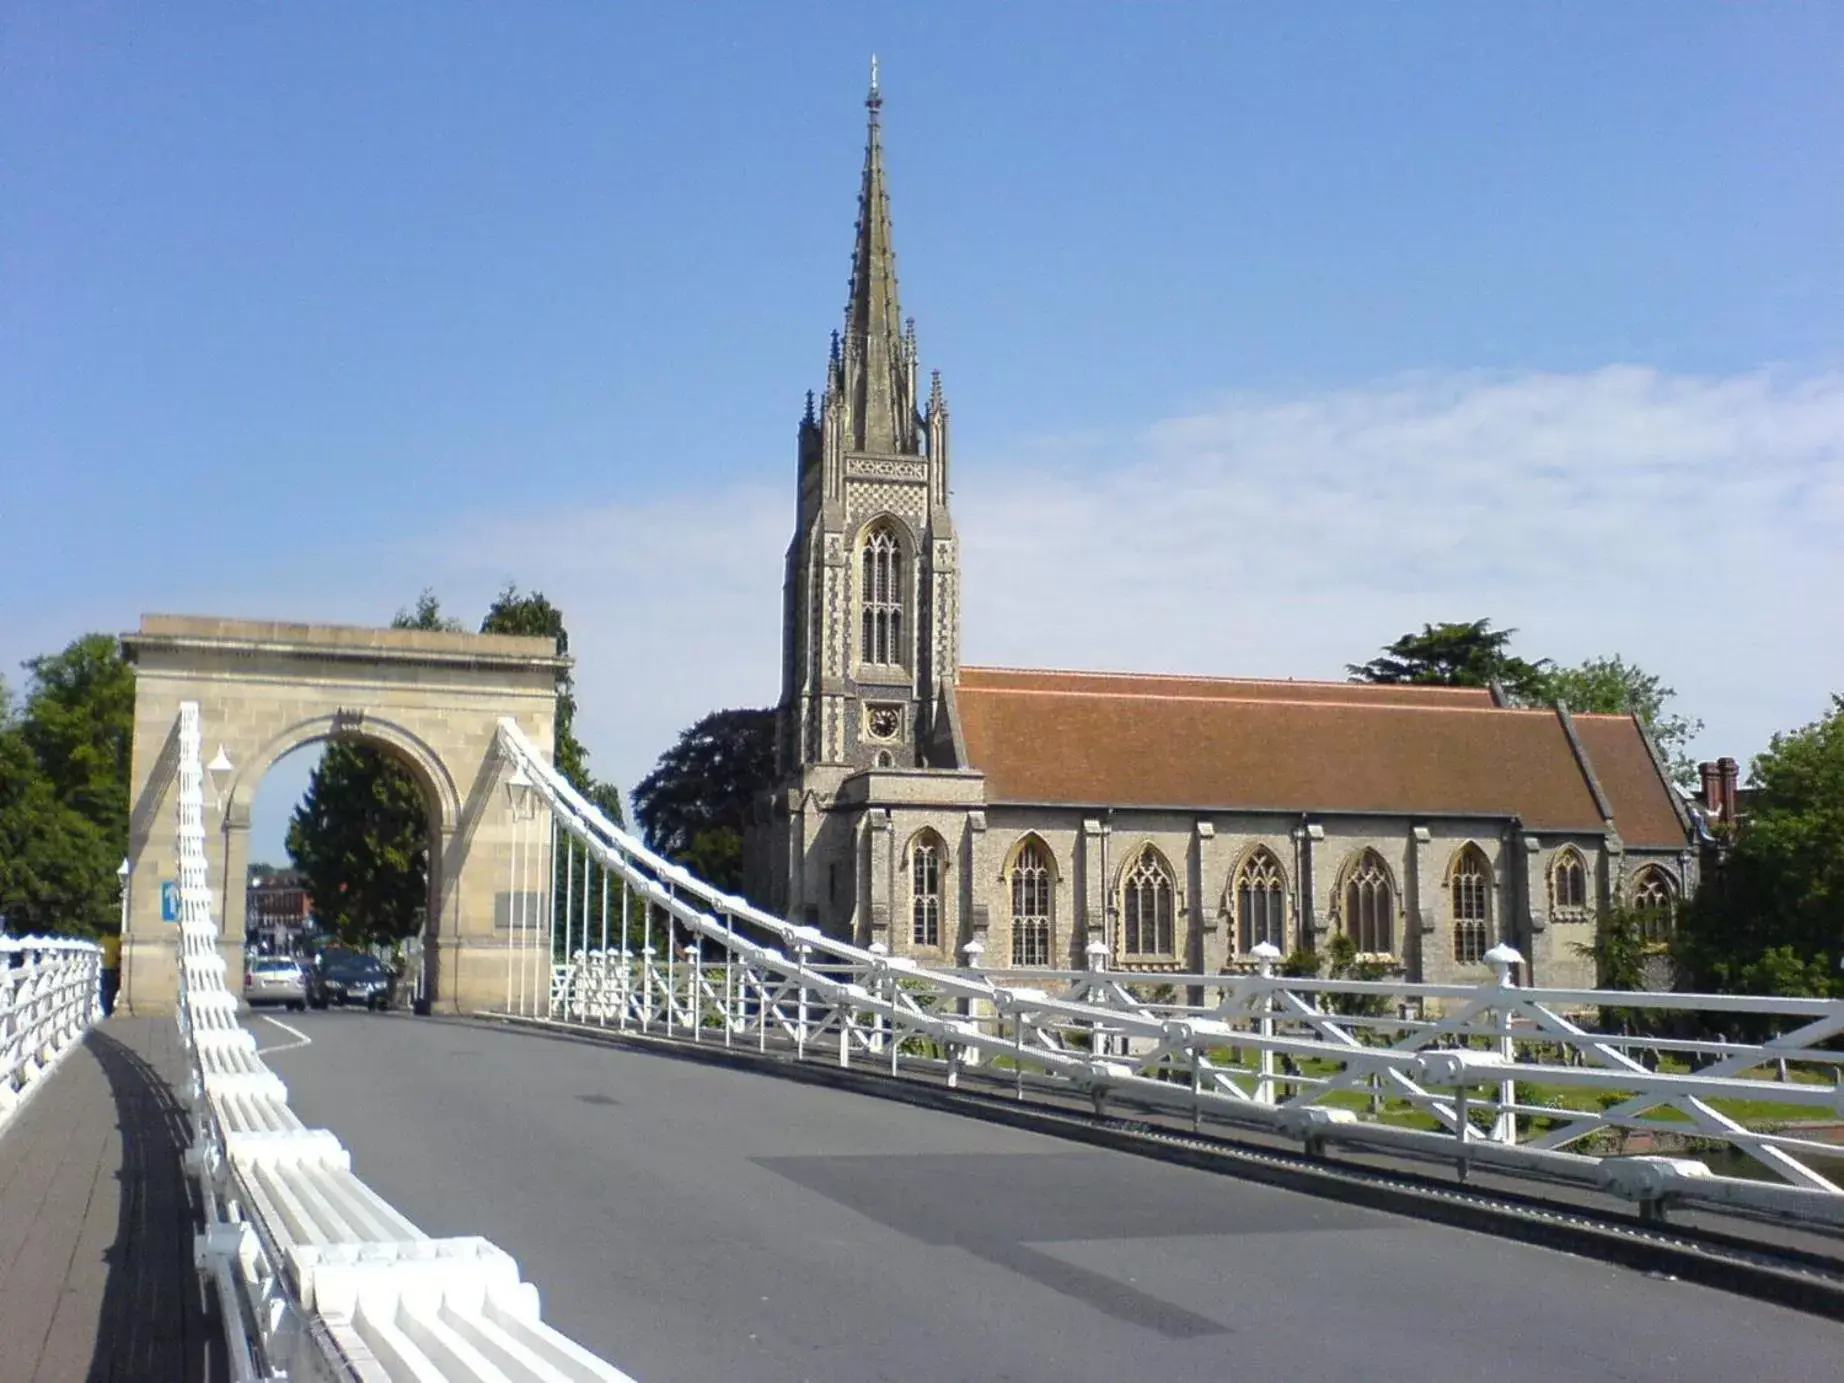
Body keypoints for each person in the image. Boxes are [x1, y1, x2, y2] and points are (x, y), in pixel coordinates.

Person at [100, 931, 122, 1015]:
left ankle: (106, 1011)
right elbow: (120, 955)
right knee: (111, 991)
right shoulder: (118, 942)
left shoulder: (102, 940)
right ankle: (108, 1010)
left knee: (104, 991)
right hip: (113, 969)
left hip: (103, 969)